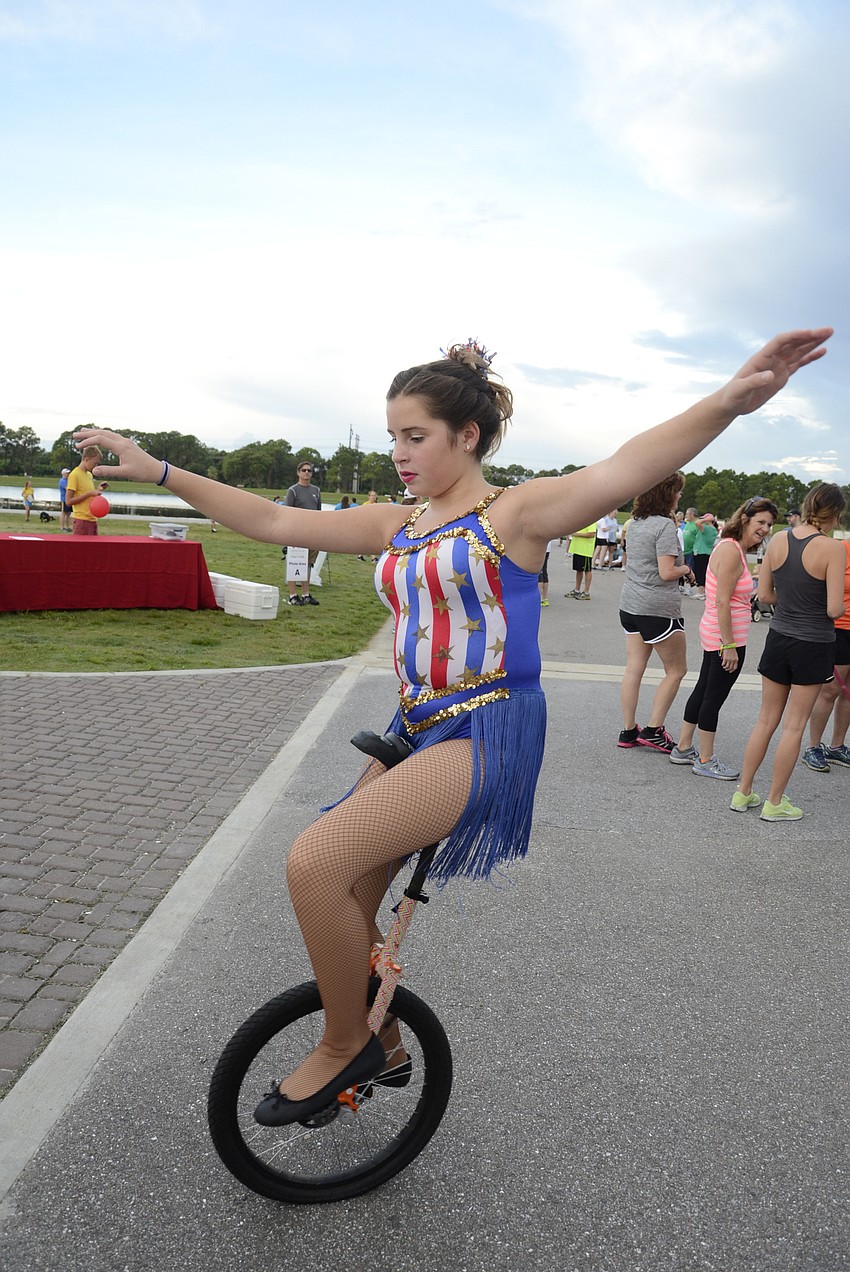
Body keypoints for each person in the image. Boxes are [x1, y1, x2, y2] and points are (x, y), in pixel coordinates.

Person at [73, 327, 831, 1125]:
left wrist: (727, 402)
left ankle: (344, 1045)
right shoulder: (397, 523)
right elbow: (266, 521)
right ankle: (387, 1039)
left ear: (467, 436)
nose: (399, 451)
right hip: (416, 725)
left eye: (416, 435)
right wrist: (157, 468)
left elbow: (623, 468)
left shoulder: (518, 513)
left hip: (490, 728)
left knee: (311, 862)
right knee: (348, 900)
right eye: (394, 433)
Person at [732, 481, 846, 821]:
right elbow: (834, 609)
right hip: (812, 643)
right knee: (794, 726)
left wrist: (793, 601)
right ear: (834, 513)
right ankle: (775, 802)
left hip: (779, 637)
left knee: (766, 720)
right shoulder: (832, 548)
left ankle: (743, 792)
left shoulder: (779, 538)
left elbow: (764, 595)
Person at [670, 497, 778, 778]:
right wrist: (728, 645)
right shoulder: (731, 550)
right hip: (725, 637)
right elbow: (721, 602)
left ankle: (683, 747)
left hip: (719, 633)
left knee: (705, 687)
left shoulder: (735, 549)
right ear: (745, 519)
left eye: (769, 524)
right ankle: (705, 759)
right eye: (761, 522)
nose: (765, 528)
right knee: (713, 696)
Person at [617, 472, 697, 751]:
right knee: (677, 670)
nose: (679, 497)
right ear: (667, 494)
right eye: (677, 491)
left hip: (630, 604)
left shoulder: (636, 522)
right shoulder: (665, 525)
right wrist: (686, 570)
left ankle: (628, 731)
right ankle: (653, 729)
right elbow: (666, 572)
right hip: (658, 608)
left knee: (634, 669)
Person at [801, 534, 850, 771]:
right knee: (830, 690)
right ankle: (813, 746)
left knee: (849, 693)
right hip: (839, 628)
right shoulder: (842, 549)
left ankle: (837, 747)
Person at [284, 462, 322, 605]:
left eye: (309, 470)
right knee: (294, 563)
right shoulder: (293, 490)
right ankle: (293, 595)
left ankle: (306, 594)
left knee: (307, 565)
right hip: (296, 533)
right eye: (304, 470)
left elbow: (318, 512)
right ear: (298, 472)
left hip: (312, 533)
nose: (307, 473)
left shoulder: (316, 491)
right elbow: (287, 512)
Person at [66, 448, 108, 535]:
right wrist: (89, 494)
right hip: (82, 521)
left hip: (92, 519)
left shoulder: (89, 475)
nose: (95, 466)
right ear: (86, 459)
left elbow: (87, 493)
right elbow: (68, 501)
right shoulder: (74, 475)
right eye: (94, 463)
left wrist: (98, 489)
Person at [565, 521, 596, 599]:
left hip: (585, 550)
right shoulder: (582, 520)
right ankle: (577, 590)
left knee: (587, 570)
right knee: (579, 570)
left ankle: (586, 592)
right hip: (577, 549)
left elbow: (591, 534)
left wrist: (576, 534)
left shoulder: (591, 520)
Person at [692, 511, 718, 599]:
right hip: (702, 552)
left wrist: (708, 519)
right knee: (700, 571)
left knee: (701, 572)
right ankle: (702, 591)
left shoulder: (708, 528)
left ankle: (701, 591)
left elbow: (697, 523)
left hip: (702, 552)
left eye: (704, 518)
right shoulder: (711, 529)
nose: (702, 520)